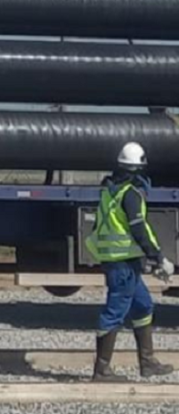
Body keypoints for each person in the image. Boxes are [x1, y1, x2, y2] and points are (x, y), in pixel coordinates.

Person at [85, 142, 175, 381]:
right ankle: (101, 370)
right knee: (114, 312)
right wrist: (158, 257)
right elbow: (139, 229)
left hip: (122, 261)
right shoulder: (131, 194)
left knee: (143, 305)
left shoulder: (109, 191)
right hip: (123, 263)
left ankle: (147, 363)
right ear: (138, 169)